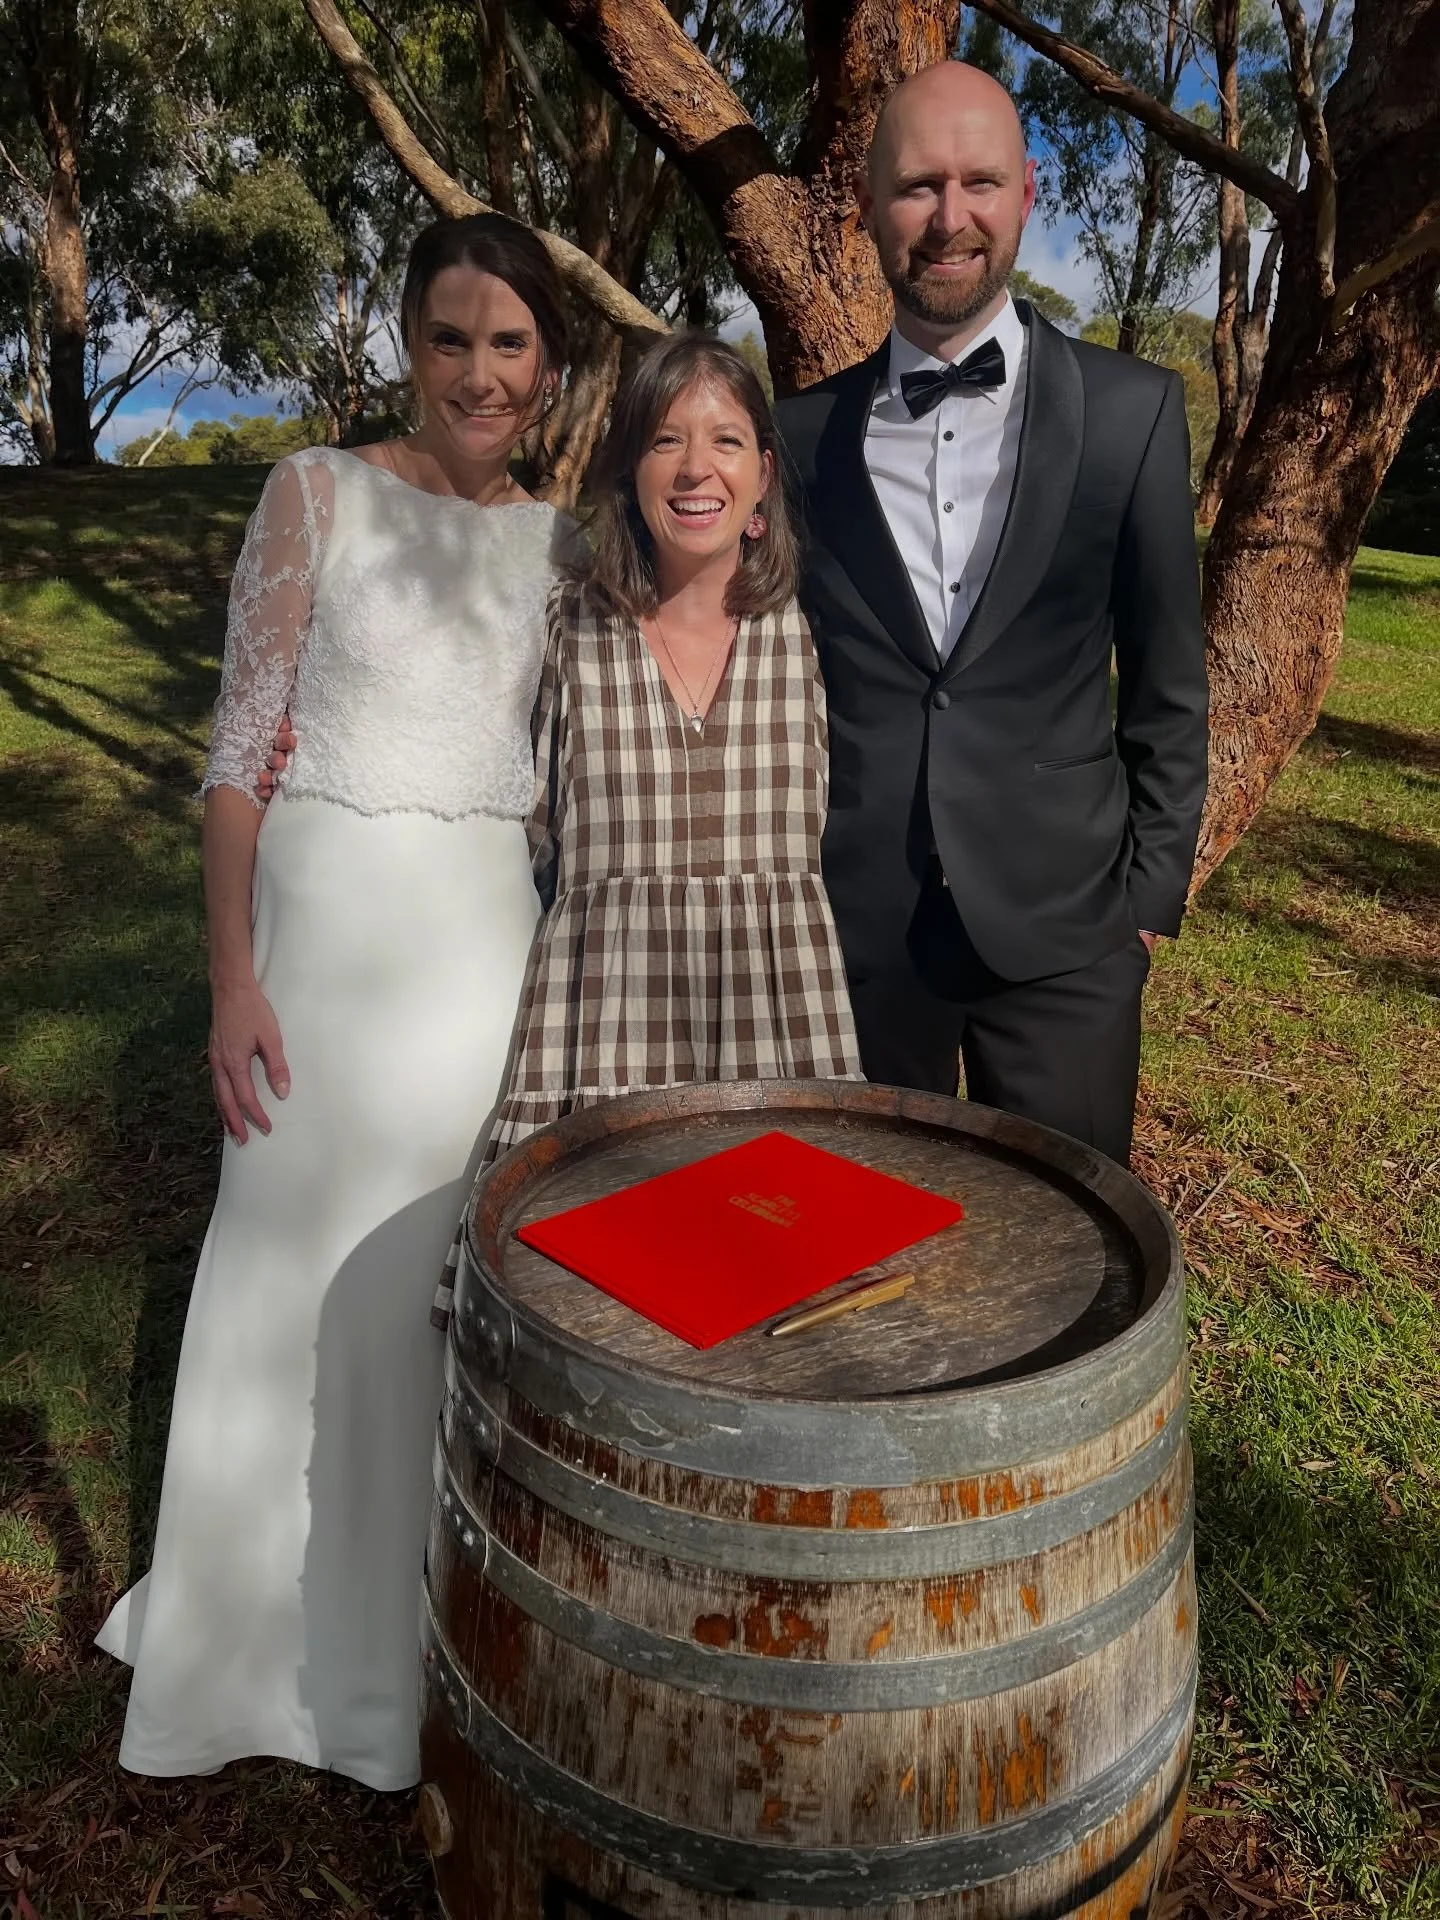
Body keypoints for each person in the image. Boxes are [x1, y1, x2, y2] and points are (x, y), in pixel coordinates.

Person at [95, 214, 578, 1789]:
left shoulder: (564, 543)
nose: (480, 373)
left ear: (550, 365)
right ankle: (242, 1652)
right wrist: (232, 978)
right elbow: (238, 763)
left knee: (427, 1295)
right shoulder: (316, 493)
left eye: (511, 344)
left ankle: (406, 1646)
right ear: (408, 343)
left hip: (481, 956)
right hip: (319, 950)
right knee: (287, 1276)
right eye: (452, 338)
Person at [776, 62, 1209, 1165]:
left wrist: (1147, 900)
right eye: (919, 185)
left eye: (981, 182)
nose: (950, 217)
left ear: (1028, 196)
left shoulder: (1134, 414)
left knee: (1071, 1281)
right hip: (861, 935)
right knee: (872, 1275)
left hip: (1070, 937)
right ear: (869, 208)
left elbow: (1167, 682)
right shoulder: (796, 439)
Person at [475, 333, 861, 1169]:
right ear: (631, 472)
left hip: (782, 1039)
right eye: (665, 439)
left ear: (762, 474)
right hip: (601, 1043)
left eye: (725, 440)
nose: (696, 468)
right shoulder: (566, 628)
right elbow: (500, 812)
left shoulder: (815, 633)